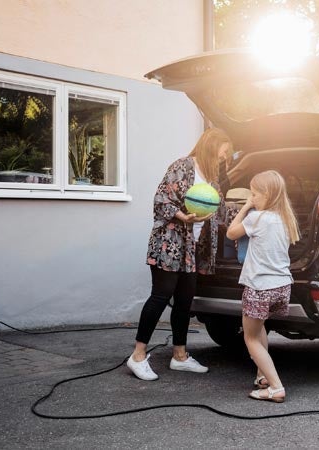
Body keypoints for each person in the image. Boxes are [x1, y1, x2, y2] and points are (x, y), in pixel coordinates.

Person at [126, 128, 232, 381]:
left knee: (185, 302)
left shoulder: (212, 180)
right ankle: (138, 355)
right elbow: (161, 199)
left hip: (190, 250)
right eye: (223, 152)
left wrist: (253, 208)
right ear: (211, 147)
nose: (224, 158)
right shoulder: (183, 166)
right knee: (160, 297)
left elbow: (220, 211)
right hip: (168, 245)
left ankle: (180, 356)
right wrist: (183, 216)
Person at [226, 170, 300, 403]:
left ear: (267, 194)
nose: (253, 198)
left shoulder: (257, 217)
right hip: (281, 286)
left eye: (255, 194)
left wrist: (245, 207)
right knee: (259, 330)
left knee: (249, 338)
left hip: (259, 287)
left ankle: (276, 387)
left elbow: (230, 232)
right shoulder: (286, 219)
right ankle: (263, 377)